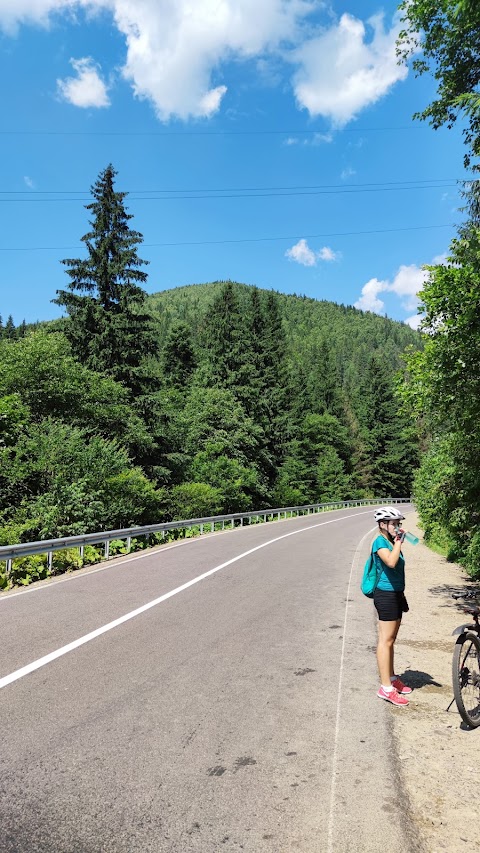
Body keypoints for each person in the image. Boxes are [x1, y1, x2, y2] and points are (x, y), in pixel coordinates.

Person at [372, 506, 412, 707]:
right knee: (385, 640)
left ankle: (393, 677)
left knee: (392, 640)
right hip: (385, 594)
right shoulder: (380, 542)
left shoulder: (389, 540)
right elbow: (391, 562)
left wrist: (397, 541)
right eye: (393, 523)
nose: (397, 527)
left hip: (396, 593)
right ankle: (385, 688)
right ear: (382, 525)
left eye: (399, 523)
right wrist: (398, 543)